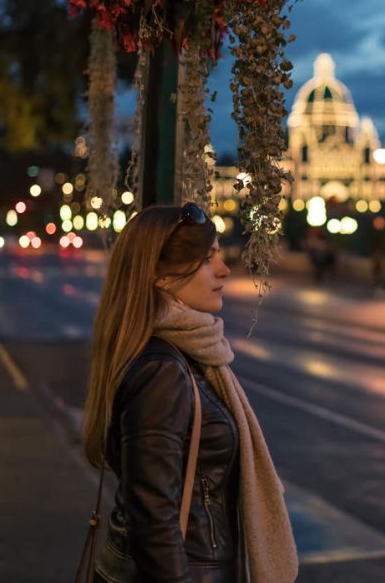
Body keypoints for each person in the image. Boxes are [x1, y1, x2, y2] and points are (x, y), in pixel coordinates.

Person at [86, 203, 297, 583]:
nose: (223, 269)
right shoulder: (161, 371)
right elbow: (152, 516)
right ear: (162, 278)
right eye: (206, 259)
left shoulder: (183, 355)